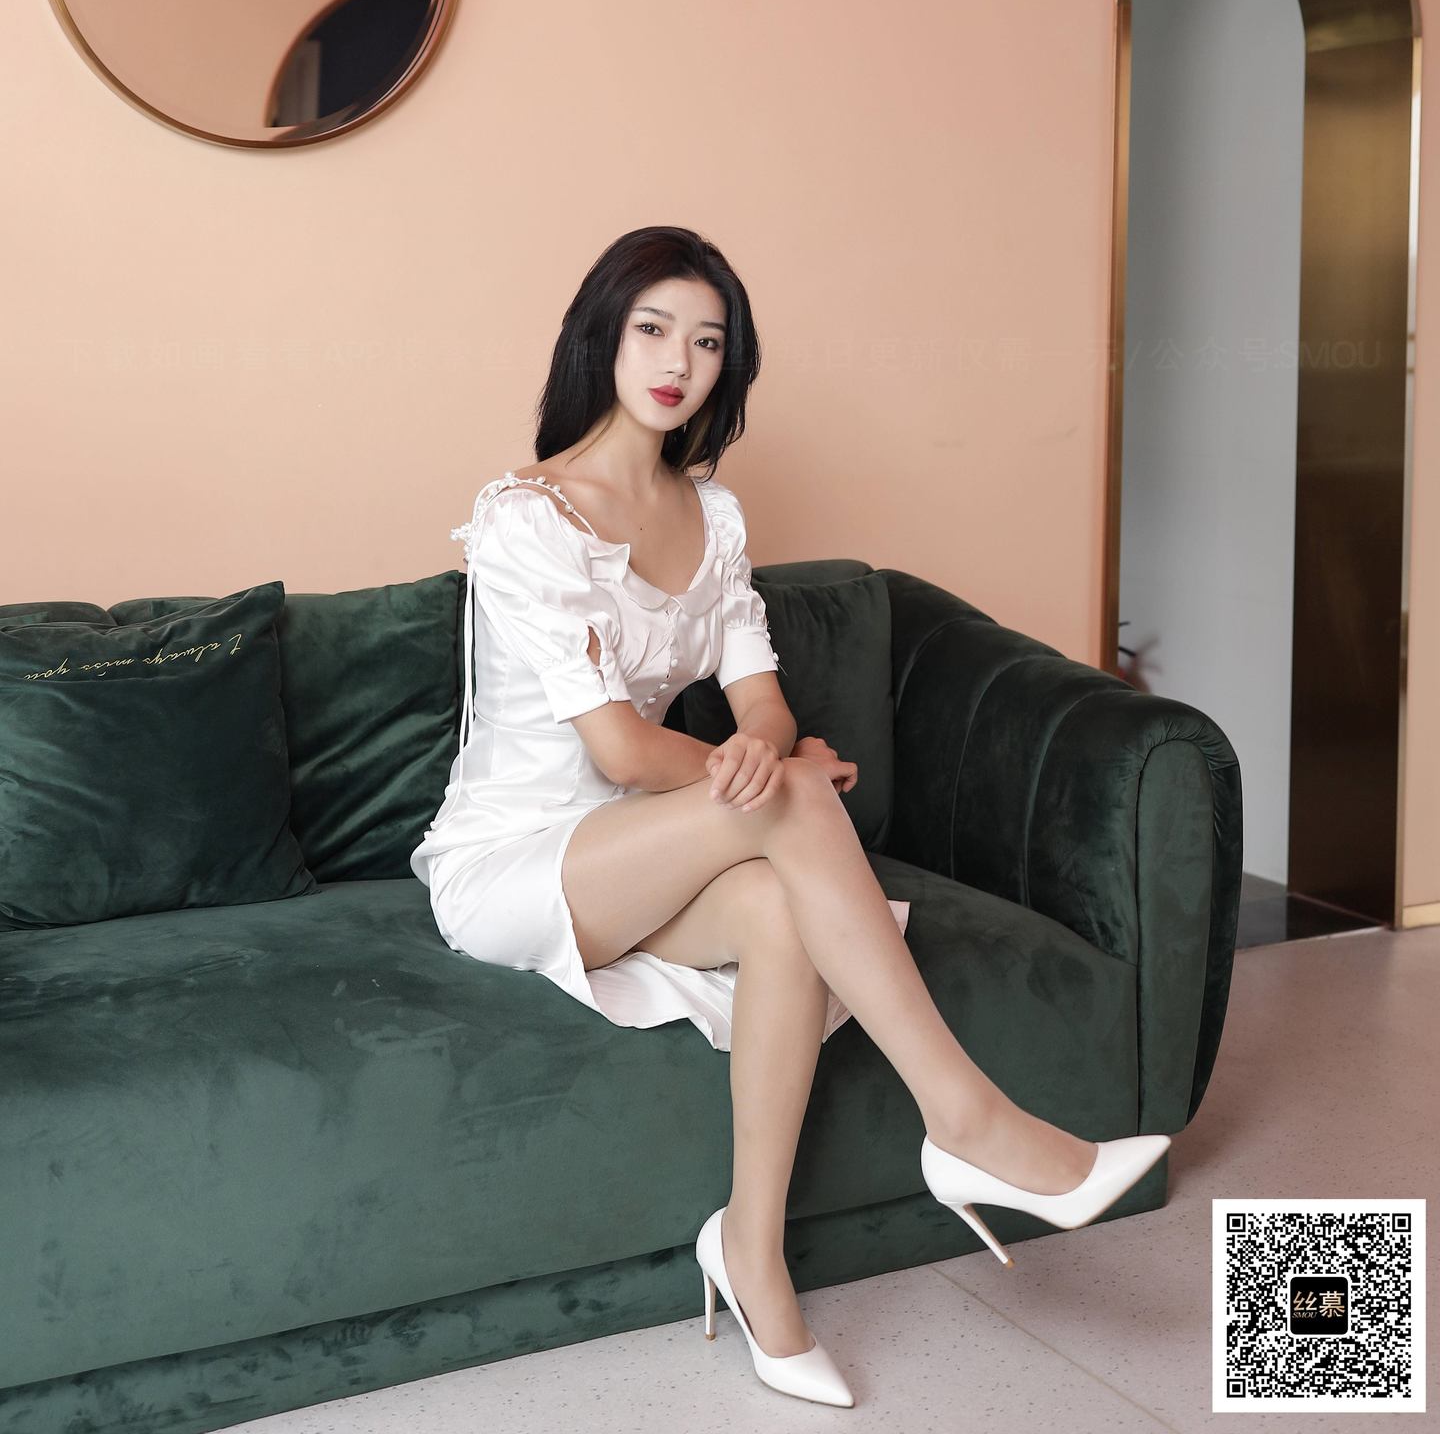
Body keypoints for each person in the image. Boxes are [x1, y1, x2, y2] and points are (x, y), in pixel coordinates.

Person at [412, 225, 1168, 1408]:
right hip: (517, 861)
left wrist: (767, 753)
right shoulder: (528, 516)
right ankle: (967, 1119)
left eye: (708, 342)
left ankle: (750, 1252)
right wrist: (771, 776)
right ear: (601, 336)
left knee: (778, 904)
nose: (678, 361)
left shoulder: (711, 515)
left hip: (649, 845)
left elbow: (761, 700)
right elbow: (618, 748)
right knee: (795, 799)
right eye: (653, 329)